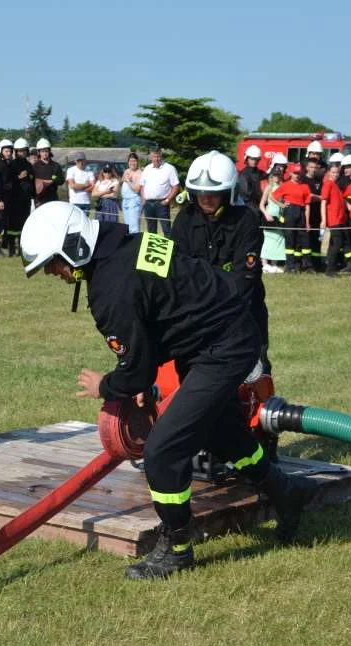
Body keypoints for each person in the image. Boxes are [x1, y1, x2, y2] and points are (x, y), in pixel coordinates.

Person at [19, 202, 316, 579]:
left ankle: (177, 549)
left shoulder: (110, 291)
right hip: (225, 331)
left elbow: (135, 365)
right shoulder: (130, 244)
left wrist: (108, 386)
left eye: (52, 263)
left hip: (221, 347)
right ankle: (286, 491)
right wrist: (143, 379)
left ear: (74, 248)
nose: (52, 273)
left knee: (163, 451)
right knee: (218, 430)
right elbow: (162, 312)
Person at [172, 150, 271, 372]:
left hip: (243, 315)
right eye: (200, 193)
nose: (205, 198)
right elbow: (177, 271)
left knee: (254, 378)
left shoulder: (246, 221)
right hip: (196, 317)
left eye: (213, 194)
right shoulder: (184, 220)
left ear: (228, 192)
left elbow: (245, 280)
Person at [272, 163, 312, 272]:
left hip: (301, 212)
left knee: (303, 240)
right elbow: (273, 196)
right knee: (290, 239)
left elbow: (307, 205)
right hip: (289, 213)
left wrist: (307, 223)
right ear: (290, 173)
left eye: (299, 173)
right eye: (295, 173)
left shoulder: (305, 186)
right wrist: (281, 205)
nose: (297, 175)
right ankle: (290, 266)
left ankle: (305, 265)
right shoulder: (285, 185)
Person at [139, 146, 179, 236]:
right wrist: (143, 199)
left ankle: (169, 249)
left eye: (158, 156)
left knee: (167, 230)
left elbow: (175, 186)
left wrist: (167, 200)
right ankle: (152, 250)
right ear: (151, 157)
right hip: (148, 204)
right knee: (151, 231)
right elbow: (142, 185)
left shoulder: (169, 169)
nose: (156, 159)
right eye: (154, 156)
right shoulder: (147, 169)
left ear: (161, 156)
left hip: (162, 203)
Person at [6, 138, 36, 256]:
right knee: (13, 225)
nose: (22, 153)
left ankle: (21, 249)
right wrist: (18, 177)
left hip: (26, 199)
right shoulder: (11, 165)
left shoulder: (29, 165)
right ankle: (11, 249)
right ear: (16, 152)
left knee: (24, 224)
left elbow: (32, 182)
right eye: (19, 151)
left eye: (24, 151)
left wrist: (34, 195)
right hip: (14, 199)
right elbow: (7, 182)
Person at [258, 154, 287, 273]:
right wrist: (266, 214)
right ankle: (265, 264)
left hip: (279, 216)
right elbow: (261, 204)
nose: (276, 177)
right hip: (270, 214)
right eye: (275, 175)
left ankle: (274, 264)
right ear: (271, 175)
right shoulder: (268, 187)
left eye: (278, 175)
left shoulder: (283, 187)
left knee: (279, 239)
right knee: (268, 240)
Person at [321, 164, 351, 276]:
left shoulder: (335, 185)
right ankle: (330, 269)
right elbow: (323, 202)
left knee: (335, 243)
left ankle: (330, 266)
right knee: (337, 243)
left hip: (340, 219)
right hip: (334, 220)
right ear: (328, 172)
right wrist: (324, 220)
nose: (335, 175)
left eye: (337, 173)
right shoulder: (328, 184)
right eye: (333, 172)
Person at [33, 138, 64, 207]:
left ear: (49, 151)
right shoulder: (35, 166)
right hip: (39, 200)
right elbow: (31, 182)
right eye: (42, 151)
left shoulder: (56, 165)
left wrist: (52, 180)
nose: (44, 153)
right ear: (39, 152)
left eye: (46, 151)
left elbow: (61, 180)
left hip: (53, 198)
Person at [236, 145, 266, 215]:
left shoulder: (260, 173)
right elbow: (246, 195)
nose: (254, 161)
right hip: (249, 207)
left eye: (256, 159)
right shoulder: (244, 174)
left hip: (260, 205)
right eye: (252, 159)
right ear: (246, 158)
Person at [65, 151, 95, 216]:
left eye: (82, 160)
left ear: (85, 160)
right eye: (78, 160)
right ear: (75, 161)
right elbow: (72, 186)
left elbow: (93, 186)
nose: (81, 162)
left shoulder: (90, 172)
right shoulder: (71, 170)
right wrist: (85, 185)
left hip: (86, 202)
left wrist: (79, 187)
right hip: (75, 202)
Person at [121, 152, 143, 234]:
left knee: (134, 227)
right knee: (127, 226)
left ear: (137, 162)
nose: (132, 163)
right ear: (128, 162)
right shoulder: (126, 171)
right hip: (125, 200)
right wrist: (125, 179)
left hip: (134, 200)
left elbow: (137, 189)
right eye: (130, 161)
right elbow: (121, 181)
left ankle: (135, 244)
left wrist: (129, 181)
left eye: (134, 161)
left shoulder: (139, 173)